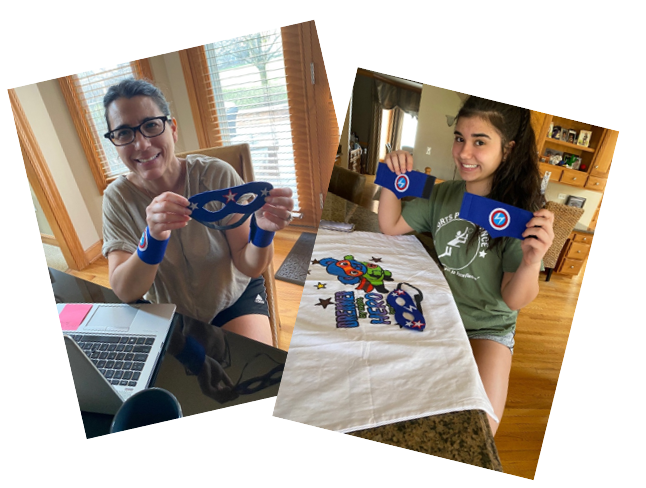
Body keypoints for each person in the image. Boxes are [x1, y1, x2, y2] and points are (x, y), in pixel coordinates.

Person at [378, 96, 555, 436]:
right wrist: (392, 176)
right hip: (440, 313)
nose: (463, 152)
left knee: (479, 429)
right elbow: (391, 225)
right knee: (400, 404)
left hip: (489, 327)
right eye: (459, 137)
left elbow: (514, 300)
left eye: (480, 142)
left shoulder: (520, 214)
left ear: (508, 149)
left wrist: (532, 262)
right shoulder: (443, 193)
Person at [101, 79, 294, 346]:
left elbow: (251, 265)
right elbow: (124, 290)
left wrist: (262, 232)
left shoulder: (216, 175)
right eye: (123, 133)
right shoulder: (117, 198)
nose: (141, 144)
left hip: (233, 301)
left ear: (173, 128)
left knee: (253, 371)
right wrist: (153, 239)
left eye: (151, 125)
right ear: (115, 143)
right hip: (167, 315)